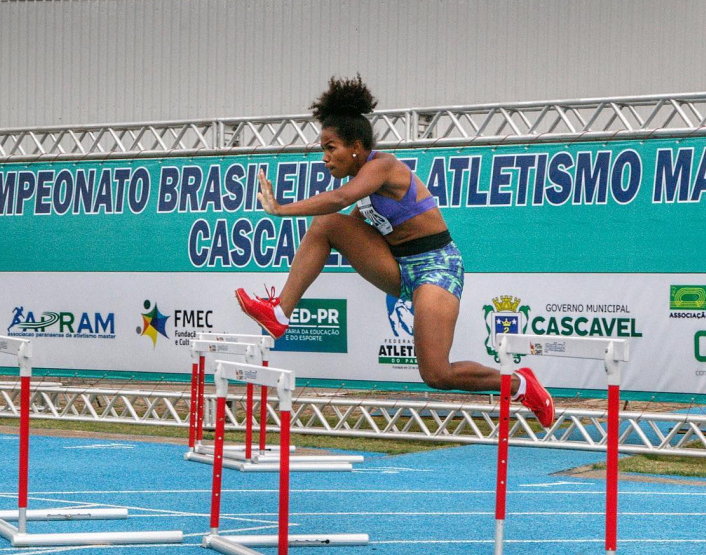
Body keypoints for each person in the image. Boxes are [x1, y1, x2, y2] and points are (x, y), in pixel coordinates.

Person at [235, 75, 555, 427]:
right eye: (322, 149)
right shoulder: (366, 193)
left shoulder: (383, 166)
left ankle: (522, 383)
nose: (324, 157)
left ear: (356, 146)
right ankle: (280, 313)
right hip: (399, 268)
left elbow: (340, 198)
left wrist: (281, 209)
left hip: (437, 268)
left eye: (330, 148)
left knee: (436, 374)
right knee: (327, 226)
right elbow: (351, 222)